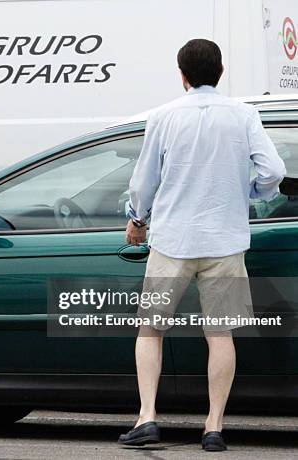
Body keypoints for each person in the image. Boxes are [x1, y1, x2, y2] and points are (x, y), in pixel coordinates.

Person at [118, 39, 286, 452]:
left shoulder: (163, 116)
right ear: (221, 71)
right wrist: (250, 191)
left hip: (173, 239)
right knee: (220, 334)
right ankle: (213, 427)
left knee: (151, 329)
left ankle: (147, 418)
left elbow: (144, 181)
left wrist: (138, 220)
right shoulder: (245, 115)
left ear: (183, 75)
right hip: (225, 241)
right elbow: (274, 170)